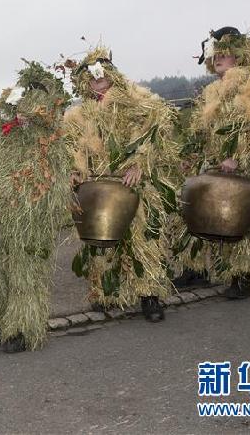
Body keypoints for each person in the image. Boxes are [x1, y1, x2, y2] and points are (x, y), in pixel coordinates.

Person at [0, 60, 74, 353]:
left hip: (28, 223)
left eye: (28, 109)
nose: (21, 115)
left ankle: (22, 327)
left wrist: (14, 200)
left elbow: (54, 186)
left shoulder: (51, 142)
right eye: (18, 108)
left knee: (25, 273)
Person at [174, 26, 250, 298]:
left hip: (248, 167)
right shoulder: (212, 92)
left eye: (225, 53)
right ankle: (197, 269)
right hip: (213, 165)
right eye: (215, 54)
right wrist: (189, 157)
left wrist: (239, 157)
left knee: (245, 221)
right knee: (196, 212)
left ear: (239, 56)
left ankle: (244, 277)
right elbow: (200, 130)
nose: (218, 58)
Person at [61, 46, 178, 321]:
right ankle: (107, 293)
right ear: (82, 82)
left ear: (110, 71)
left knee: (142, 239)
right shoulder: (77, 115)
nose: (96, 78)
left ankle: (150, 295)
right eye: (89, 75)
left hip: (132, 184)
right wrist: (74, 172)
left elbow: (158, 126)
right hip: (97, 188)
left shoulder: (136, 99)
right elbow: (69, 148)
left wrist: (139, 161)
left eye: (100, 71)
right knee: (101, 242)